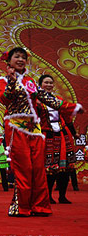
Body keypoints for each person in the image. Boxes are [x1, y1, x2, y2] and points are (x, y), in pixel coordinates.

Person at [0, 47, 83, 217]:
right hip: (16, 126)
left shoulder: (30, 81)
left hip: (35, 129)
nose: (20, 59)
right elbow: (5, 99)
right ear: (9, 61)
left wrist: (72, 108)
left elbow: (46, 97)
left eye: (23, 57)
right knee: (24, 167)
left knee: (38, 168)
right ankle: (21, 207)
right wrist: (12, 82)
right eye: (17, 56)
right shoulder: (3, 80)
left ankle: (40, 206)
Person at [38, 74, 78, 205]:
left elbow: (67, 118)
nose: (49, 85)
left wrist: (74, 133)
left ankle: (62, 196)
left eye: (51, 83)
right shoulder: (36, 102)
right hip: (46, 136)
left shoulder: (58, 100)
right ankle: (48, 196)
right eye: (46, 82)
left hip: (62, 136)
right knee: (49, 168)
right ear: (40, 85)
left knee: (65, 167)